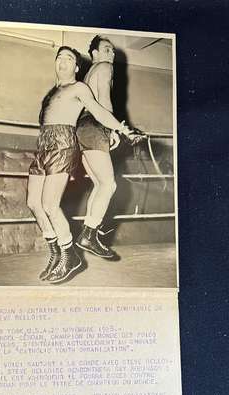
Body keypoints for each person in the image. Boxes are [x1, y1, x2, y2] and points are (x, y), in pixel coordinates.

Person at [27, 46, 139, 284]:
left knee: (49, 204)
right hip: (43, 145)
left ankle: (70, 256)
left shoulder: (80, 87)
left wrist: (121, 128)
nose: (63, 61)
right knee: (34, 203)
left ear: (77, 67)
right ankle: (56, 253)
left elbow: (98, 111)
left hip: (63, 144)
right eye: (60, 57)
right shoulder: (52, 92)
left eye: (69, 58)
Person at [76, 35, 144, 260]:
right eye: (106, 49)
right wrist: (114, 129)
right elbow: (104, 99)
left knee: (100, 184)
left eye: (113, 51)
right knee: (109, 184)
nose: (111, 55)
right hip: (94, 125)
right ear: (94, 53)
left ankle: (89, 233)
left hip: (83, 127)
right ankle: (89, 234)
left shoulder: (87, 75)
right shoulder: (104, 67)